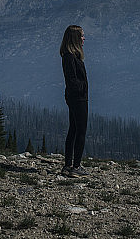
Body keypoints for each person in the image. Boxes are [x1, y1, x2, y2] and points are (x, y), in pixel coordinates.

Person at [60, 24, 89, 177]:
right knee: (80, 131)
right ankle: (75, 166)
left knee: (73, 130)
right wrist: (82, 88)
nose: (84, 39)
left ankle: (68, 165)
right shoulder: (70, 57)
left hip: (74, 97)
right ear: (75, 38)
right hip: (78, 98)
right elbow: (72, 79)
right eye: (82, 36)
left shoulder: (69, 55)